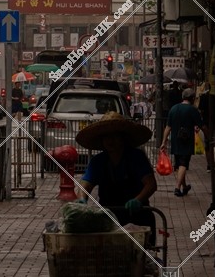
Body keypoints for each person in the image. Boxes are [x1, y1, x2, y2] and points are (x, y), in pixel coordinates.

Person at [76, 112, 157, 240]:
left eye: (115, 136)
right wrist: (82, 199)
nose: (110, 141)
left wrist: (137, 200)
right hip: (109, 218)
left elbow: (151, 184)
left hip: (138, 217)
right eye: (106, 137)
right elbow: (86, 183)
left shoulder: (136, 157)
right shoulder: (99, 161)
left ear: (123, 138)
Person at [162, 87, 207, 196]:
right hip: (186, 141)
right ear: (192, 98)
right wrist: (208, 136)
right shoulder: (192, 110)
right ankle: (177, 188)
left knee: (179, 164)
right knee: (183, 164)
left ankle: (184, 187)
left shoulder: (173, 108)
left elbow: (168, 127)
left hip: (175, 141)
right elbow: (202, 126)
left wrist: (164, 142)